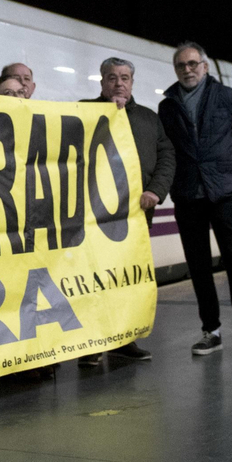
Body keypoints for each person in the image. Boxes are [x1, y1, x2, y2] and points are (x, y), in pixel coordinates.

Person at [158, 42, 232, 359]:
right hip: (187, 195)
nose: (187, 69)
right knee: (199, 267)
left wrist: (228, 168)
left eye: (192, 63)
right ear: (176, 70)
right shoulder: (168, 105)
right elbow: (165, 149)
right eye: (181, 65)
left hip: (224, 195)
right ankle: (211, 332)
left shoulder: (226, 96)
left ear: (204, 66)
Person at [79, 58, 174, 366]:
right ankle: (92, 343)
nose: (118, 83)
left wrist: (155, 191)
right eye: (111, 78)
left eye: (124, 78)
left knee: (127, 277)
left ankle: (124, 339)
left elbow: (167, 156)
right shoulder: (82, 111)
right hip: (92, 214)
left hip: (136, 214)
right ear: (102, 82)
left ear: (132, 83)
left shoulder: (148, 118)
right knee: (92, 277)